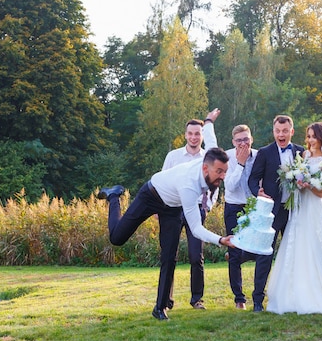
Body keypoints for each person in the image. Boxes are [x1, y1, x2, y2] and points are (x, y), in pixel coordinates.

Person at [97, 108, 235, 321]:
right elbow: (197, 229)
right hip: (151, 195)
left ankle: (160, 308)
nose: (223, 177)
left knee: (169, 256)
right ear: (206, 169)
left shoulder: (212, 156)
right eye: (219, 172)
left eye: (224, 172)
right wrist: (221, 240)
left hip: (172, 207)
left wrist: (209, 120)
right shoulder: (189, 186)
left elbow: (210, 135)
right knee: (117, 238)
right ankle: (114, 196)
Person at [266, 122, 322, 317]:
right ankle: (294, 293)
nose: (310, 140)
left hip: (317, 209)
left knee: (317, 246)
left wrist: (308, 184)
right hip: (301, 208)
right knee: (299, 247)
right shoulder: (304, 156)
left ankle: (321, 291)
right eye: (308, 136)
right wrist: (296, 182)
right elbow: (297, 179)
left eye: (314, 136)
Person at [248, 114, 305, 312]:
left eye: (284, 131)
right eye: (277, 131)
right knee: (265, 254)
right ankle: (257, 299)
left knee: (295, 254)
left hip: (296, 211)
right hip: (273, 212)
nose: (281, 135)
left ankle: (293, 297)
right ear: (273, 131)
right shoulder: (264, 153)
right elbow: (253, 180)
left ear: (292, 131)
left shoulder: (302, 152)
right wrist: (258, 192)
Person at [162, 119, 219, 310]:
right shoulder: (173, 156)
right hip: (173, 209)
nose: (194, 137)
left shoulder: (208, 157)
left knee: (196, 256)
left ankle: (197, 299)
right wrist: (159, 207)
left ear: (202, 136)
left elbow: (215, 183)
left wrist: (208, 205)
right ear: (185, 134)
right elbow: (163, 180)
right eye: (190, 134)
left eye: (197, 134)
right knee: (170, 255)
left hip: (196, 208)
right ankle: (166, 300)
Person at [223, 124, 258, 310]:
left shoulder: (260, 156)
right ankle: (240, 299)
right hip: (234, 207)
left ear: (251, 139)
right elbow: (230, 186)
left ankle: (258, 295)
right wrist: (241, 163)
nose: (243, 143)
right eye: (239, 140)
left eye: (246, 139)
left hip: (254, 207)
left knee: (259, 250)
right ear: (233, 142)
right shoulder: (228, 157)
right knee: (235, 252)